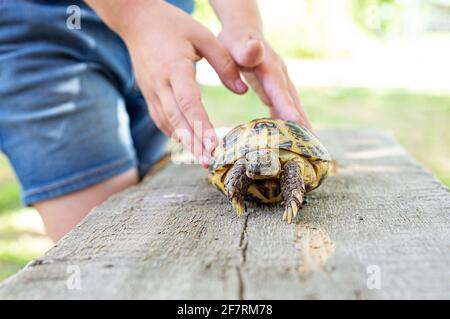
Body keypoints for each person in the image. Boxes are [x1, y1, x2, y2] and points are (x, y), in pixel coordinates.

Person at [0, 0, 312, 241]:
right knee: (106, 244)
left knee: (149, 212)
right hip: (49, 35)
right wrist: (135, 14)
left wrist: (242, 23)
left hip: (166, 34)